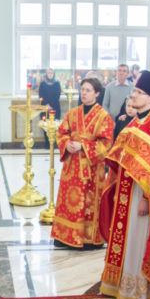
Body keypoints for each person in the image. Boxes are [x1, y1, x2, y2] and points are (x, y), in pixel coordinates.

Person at [99, 71, 150, 299]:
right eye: (136, 91)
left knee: (137, 240)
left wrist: (149, 201)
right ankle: (120, 284)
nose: (134, 95)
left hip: (142, 195)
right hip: (126, 190)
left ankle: (137, 290)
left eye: (140, 93)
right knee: (126, 237)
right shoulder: (138, 120)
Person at [51, 78, 114, 249]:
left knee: (88, 203)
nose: (84, 93)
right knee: (68, 202)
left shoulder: (104, 117)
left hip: (92, 169)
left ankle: (87, 239)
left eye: (88, 90)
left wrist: (83, 146)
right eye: (82, 89)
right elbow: (61, 132)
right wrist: (66, 144)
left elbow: (106, 144)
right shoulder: (72, 113)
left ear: (97, 93)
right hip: (72, 166)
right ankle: (65, 236)